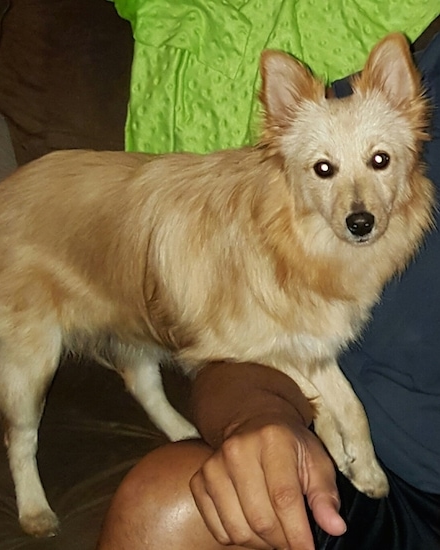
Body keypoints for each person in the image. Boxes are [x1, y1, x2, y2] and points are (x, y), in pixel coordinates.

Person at [96, 33, 440, 550]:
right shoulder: (352, 110)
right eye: (325, 171)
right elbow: (232, 342)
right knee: (158, 504)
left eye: (378, 163)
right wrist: (259, 418)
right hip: (368, 487)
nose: (358, 204)